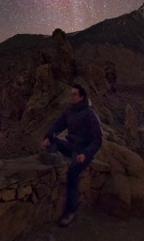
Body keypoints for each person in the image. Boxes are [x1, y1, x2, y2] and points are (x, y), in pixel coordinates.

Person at [40, 82, 103, 227]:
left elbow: (98, 139)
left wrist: (86, 154)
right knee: (54, 141)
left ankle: (70, 211)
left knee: (73, 174)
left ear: (82, 96)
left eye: (74, 94)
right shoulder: (69, 111)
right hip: (71, 145)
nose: (71, 96)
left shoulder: (90, 113)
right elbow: (58, 125)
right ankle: (53, 159)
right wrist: (48, 137)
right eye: (71, 93)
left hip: (83, 151)